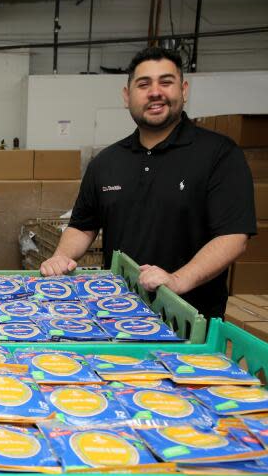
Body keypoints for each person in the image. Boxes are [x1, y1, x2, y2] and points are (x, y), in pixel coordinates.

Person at [40, 46, 256, 319]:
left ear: (184, 90)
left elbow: (233, 237)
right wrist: (61, 258)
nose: (155, 92)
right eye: (144, 84)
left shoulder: (219, 154)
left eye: (166, 82)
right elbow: (83, 226)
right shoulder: (106, 162)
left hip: (189, 323)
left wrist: (177, 280)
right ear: (127, 95)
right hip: (116, 314)